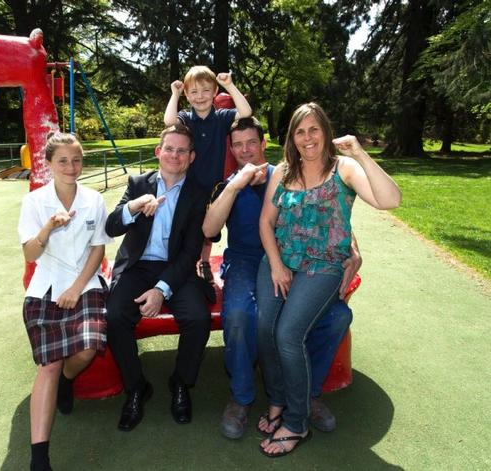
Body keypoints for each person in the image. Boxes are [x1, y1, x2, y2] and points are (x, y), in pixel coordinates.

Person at [257, 103, 401, 458]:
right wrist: (276, 265)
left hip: (322, 266)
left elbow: (390, 200)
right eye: (300, 131)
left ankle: (297, 420)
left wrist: (361, 153)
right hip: (281, 258)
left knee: (289, 334)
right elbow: (265, 223)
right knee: (265, 326)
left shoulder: (344, 168)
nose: (307, 138)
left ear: (325, 131)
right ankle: (276, 399)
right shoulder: (283, 172)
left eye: (314, 130)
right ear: (292, 136)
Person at [202, 117, 359, 440]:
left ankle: (306, 393)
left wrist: (354, 249)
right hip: (246, 262)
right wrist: (236, 184)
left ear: (263, 144)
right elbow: (208, 229)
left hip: (294, 259)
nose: (245, 150)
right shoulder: (227, 185)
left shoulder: (289, 175)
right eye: (238, 145)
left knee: (338, 317)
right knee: (240, 316)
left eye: (251, 143)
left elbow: (328, 212)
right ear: (231, 149)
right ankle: (242, 397)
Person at [105, 124, 212, 432]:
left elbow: (191, 251)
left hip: (176, 268)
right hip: (137, 267)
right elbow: (112, 227)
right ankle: (136, 387)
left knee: (197, 318)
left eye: (182, 151)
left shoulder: (198, 192)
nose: (174, 156)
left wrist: (161, 290)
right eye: (169, 149)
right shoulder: (138, 183)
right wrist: (133, 207)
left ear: (191, 157)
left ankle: (181, 383)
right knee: (114, 316)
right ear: (158, 152)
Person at [17, 132, 113, 471]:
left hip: (85, 284)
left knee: (87, 348)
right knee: (50, 364)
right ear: (48, 164)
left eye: (76, 160)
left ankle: (68, 383)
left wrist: (77, 287)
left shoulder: (93, 200)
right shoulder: (35, 202)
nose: (71, 167)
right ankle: (39, 458)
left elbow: (98, 248)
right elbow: (30, 252)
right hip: (45, 288)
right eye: (63, 161)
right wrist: (47, 228)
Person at [164, 65, 252, 281]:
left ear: (214, 92)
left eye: (205, 90)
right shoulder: (185, 117)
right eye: (193, 92)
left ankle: (204, 262)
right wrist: (174, 94)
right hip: (189, 182)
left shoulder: (222, 117)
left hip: (213, 184)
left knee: (208, 230)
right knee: (187, 224)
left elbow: (246, 112)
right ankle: (185, 262)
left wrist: (229, 86)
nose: (200, 96)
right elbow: (169, 121)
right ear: (187, 95)